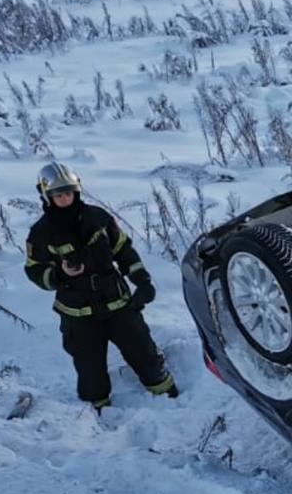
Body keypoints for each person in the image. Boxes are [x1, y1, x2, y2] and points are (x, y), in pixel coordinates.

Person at [24, 162, 177, 411]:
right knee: (89, 369)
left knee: (143, 351)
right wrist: (59, 274)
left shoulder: (99, 218)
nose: (65, 198)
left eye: (69, 192)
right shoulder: (41, 233)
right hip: (78, 314)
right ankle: (98, 415)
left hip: (116, 301)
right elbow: (34, 269)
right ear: (47, 195)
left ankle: (169, 396)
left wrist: (142, 281)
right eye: (59, 194)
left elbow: (124, 250)